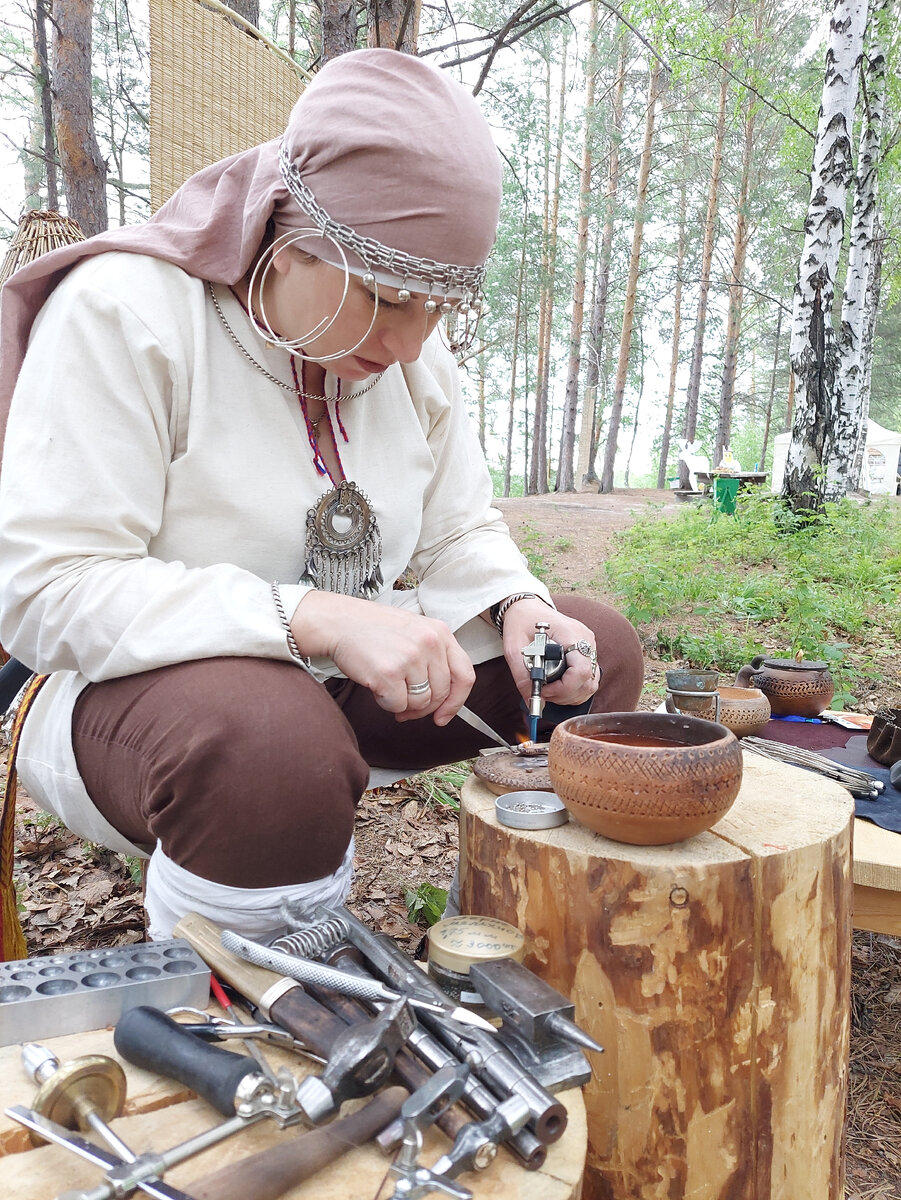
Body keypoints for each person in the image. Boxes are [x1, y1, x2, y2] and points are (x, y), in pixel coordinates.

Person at [0, 50, 643, 941]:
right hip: (132, 699)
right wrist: (315, 618)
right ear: (290, 237)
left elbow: (456, 528)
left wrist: (516, 601)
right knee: (273, 744)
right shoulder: (127, 312)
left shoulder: (405, 349)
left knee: (588, 654)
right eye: (383, 298)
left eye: (437, 308)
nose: (412, 343)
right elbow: (47, 589)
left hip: (338, 680)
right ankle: (250, 999)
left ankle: (504, 940)